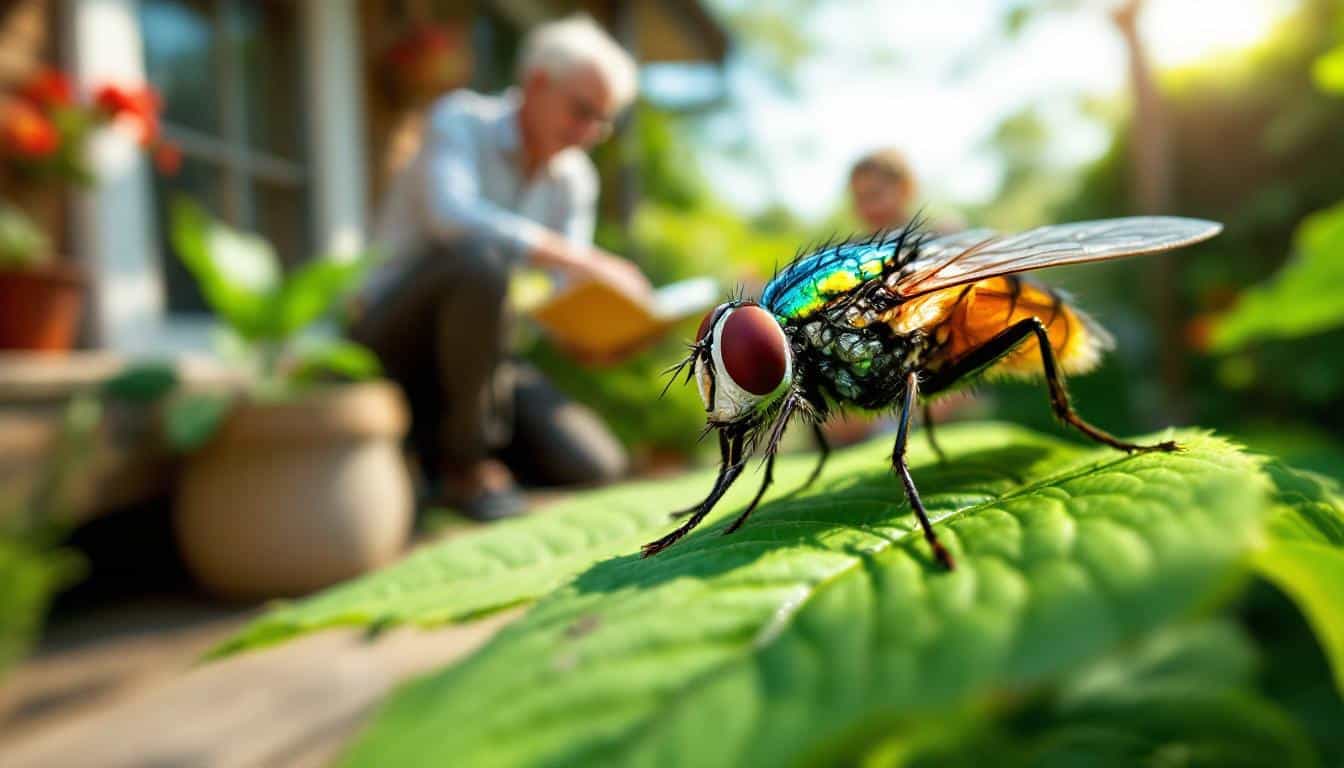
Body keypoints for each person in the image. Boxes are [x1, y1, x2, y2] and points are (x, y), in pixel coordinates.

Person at [353, 16, 650, 520]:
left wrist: (599, 335)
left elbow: (560, 295)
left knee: (594, 463)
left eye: (603, 120)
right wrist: (587, 259)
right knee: (480, 265)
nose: (590, 133)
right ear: (537, 83)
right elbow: (454, 220)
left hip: (484, 361)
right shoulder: (459, 121)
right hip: (391, 338)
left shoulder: (574, 180)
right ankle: (464, 471)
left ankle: (438, 446)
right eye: (582, 111)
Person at [848, 147, 918, 232]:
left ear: (904, 188)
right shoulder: (858, 244)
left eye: (875, 195)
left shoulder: (934, 239)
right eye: (860, 198)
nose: (868, 207)